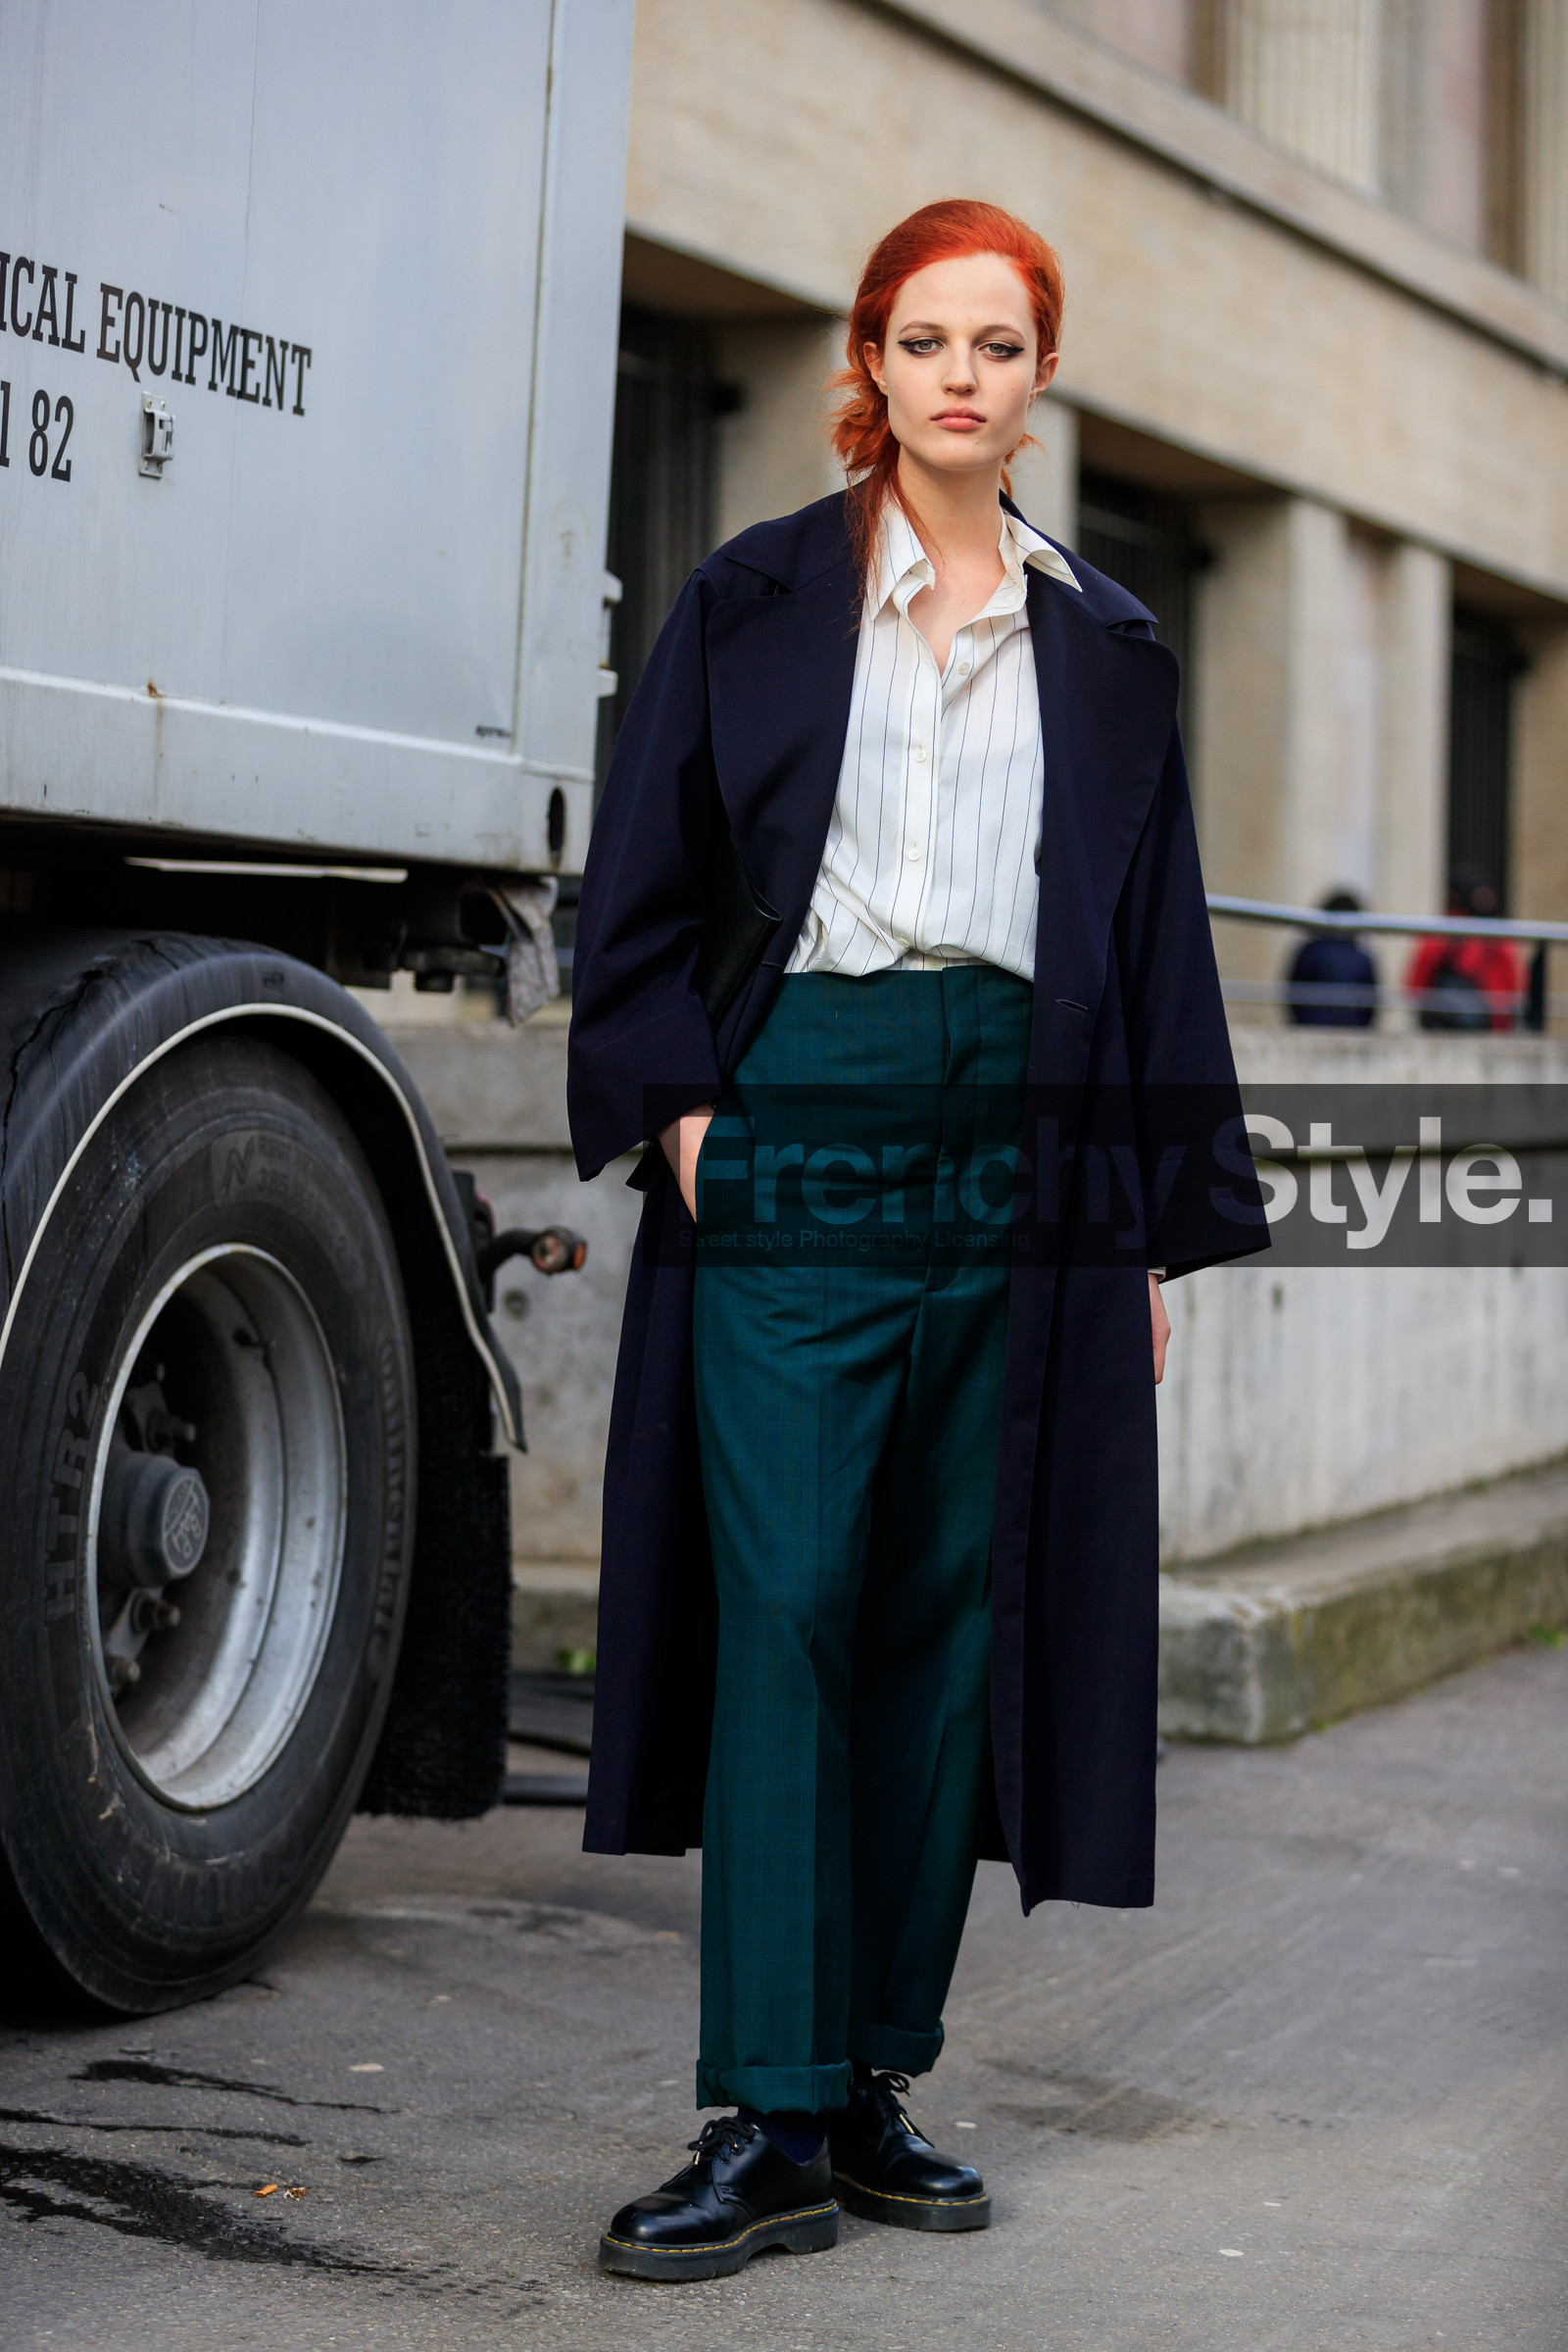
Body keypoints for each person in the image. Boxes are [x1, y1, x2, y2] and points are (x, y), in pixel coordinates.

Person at [567, 198, 1263, 2286]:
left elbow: (1142, 953)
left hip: (1029, 1150)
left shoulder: (1111, 648)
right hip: (807, 1118)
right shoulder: (757, 598)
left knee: (941, 1614)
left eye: (998, 343)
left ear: (1039, 381)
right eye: (921, 339)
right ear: (864, 367)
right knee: (785, 1594)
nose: (957, 375)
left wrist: (1136, 1234)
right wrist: (692, 1112)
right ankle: (762, 2113)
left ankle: (869, 2078)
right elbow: (655, 869)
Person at [1407, 868, 1522, 1032]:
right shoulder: (1495, 935)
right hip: (1487, 1022)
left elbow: (1416, 983)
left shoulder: (1442, 933)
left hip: (1447, 1023)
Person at [1285, 890, 1379, 1027]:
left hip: (1310, 1026)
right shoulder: (1362, 957)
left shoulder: (1309, 951)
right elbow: (1371, 1002)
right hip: (1352, 1029)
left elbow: (1292, 992)